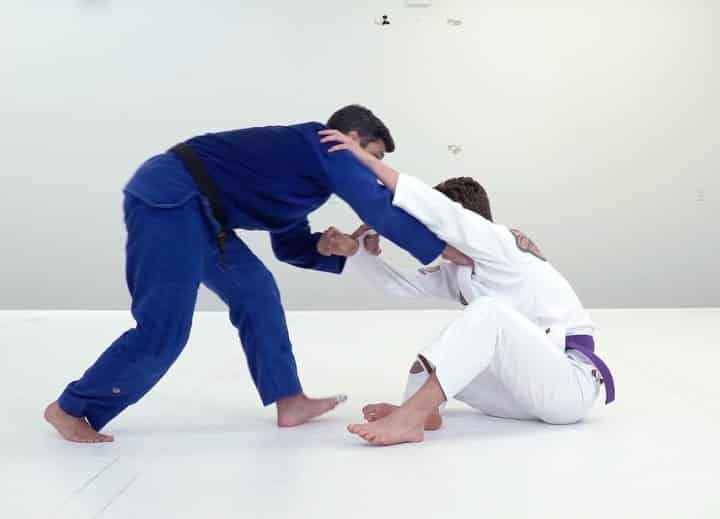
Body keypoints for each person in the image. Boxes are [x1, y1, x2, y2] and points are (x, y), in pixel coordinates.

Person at [44, 105, 450, 443]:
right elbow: (378, 206)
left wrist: (328, 247)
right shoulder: (322, 144)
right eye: (372, 156)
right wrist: (448, 246)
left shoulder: (308, 179)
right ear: (349, 137)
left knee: (257, 292)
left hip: (204, 217)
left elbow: (289, 245)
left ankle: (289, 401)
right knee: (163, 331)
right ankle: (70, 409)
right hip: (171, 198)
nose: (374, 170)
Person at [318, 129, 615, 446]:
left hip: (569, 386)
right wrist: (357, 251)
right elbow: (400, 286)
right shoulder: (461, 271)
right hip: (525, 393)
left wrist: (365, 159)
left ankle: (410, 419)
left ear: (470, 228)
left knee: (488, 312)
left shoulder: (499, 242)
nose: (433, 239)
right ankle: (425, 412)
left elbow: (437, 210)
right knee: (434, 358)